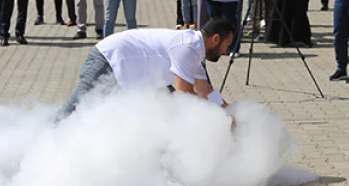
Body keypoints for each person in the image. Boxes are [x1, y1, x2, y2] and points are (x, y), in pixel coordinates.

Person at [60, 17, 237, 118]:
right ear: (215, 39)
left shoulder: (195, 52)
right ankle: (41, 147)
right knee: (72, 111)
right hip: (109, 60)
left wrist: (230, 113)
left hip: (125, 72)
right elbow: (185, 95)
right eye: (226, 45)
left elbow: (206, 91)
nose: (225, 51)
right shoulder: (188, 48)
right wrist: (215, 118)